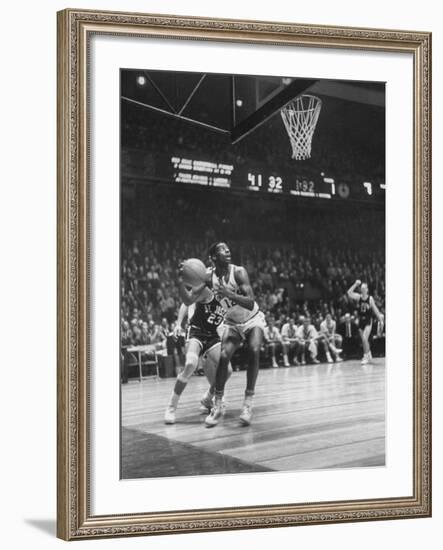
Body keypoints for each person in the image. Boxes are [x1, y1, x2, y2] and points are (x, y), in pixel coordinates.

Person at [205, 242, 265, 427]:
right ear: (214, 257)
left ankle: (247, 404)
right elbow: (192, 285)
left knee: (254, 350)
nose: (228, 250)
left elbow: (250, 301)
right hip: (232, 322)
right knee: (224, 357)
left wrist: (229, 294)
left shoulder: (238, 272)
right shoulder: (209, 277)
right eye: (222, 249)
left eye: (228, 248)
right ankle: (217, 404)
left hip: (252, 318)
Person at [164, 278, 232, 425]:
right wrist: (178, 324)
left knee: (227, 370)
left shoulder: (229, 301)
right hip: (196, 331)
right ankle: (171, 407)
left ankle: (208, 398)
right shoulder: (207, 292)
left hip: (213, 335)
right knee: (190, 364)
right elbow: (186, 302)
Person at [347, 279, 384, 365]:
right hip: (361, 321)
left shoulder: (370, 298)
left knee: (364, 338)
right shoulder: (358, 297)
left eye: (364, 288)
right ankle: (369, 353)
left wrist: (380, 320)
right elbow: (349, 293)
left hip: (368, 320)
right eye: (362, 288)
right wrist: (355, 284)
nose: (363, 290)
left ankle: (366, 356)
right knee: (364, 341)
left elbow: (375, 309)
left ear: (367, 289)